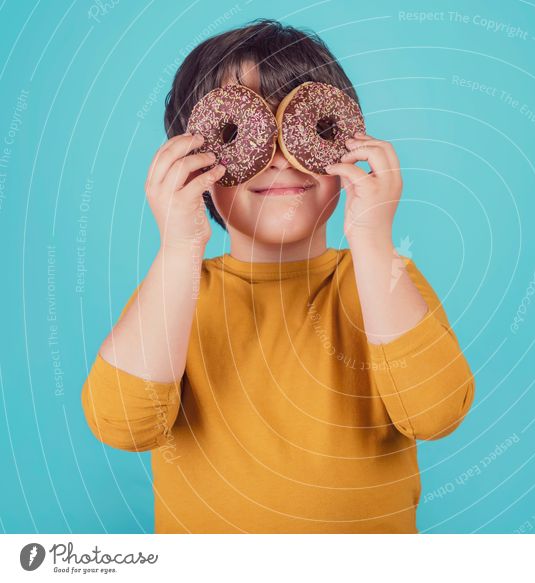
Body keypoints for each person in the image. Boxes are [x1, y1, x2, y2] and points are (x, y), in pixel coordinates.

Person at [81, 18, 474, 533]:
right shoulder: (177, 294)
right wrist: (178, 247)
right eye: (242, 133)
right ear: (190, 162)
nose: (281, 161)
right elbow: (122, 424)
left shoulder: (382, 280)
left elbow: (436, 412)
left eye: (306, 130)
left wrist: (373, 238)